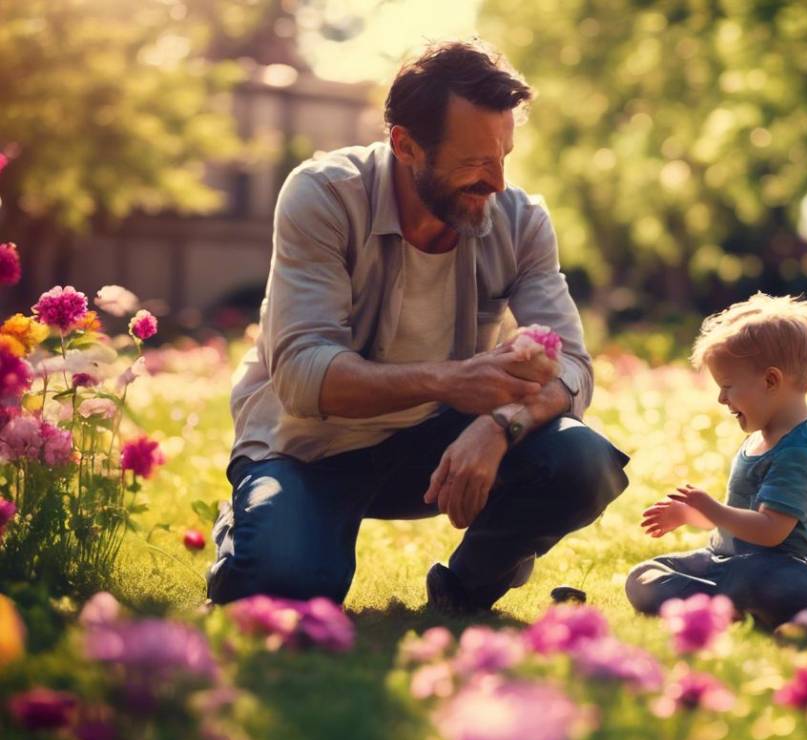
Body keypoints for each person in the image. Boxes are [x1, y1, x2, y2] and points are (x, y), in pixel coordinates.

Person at [206, 40, 629, 613]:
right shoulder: (324, 196)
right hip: (306, 447)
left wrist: (499, 426)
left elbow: (574, 368)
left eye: (504, 155)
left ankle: (466, 587)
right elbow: (304, 376)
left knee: (584, 462)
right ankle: (255, 515)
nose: (498, 181)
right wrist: (451, 382)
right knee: (284, 587)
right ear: (405, 145)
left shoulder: (521, 220)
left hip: (434, 447)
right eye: (476, 161)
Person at [625, 293, 807, 629]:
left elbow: (771, 531)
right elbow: (741, 517)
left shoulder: (803, 451)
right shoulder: (761, 436)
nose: (721, 398)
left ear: (771, 381)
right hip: (726, 562)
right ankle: (728, 604)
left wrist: (711, 508)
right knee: (643, 577)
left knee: (770, 588)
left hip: (780, 568)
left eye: (728, 386)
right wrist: (693, 515)